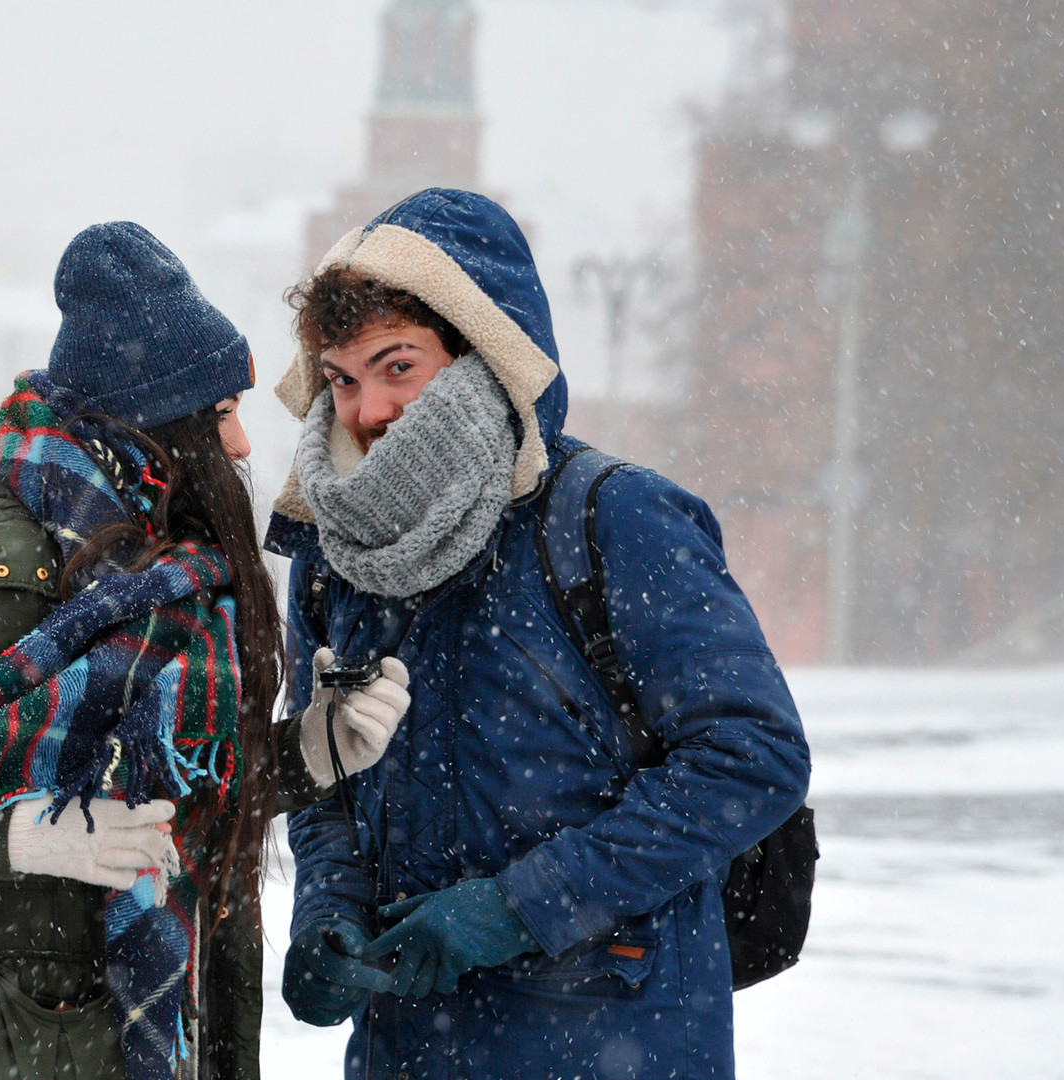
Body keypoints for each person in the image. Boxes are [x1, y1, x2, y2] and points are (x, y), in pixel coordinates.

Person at [0, 222, 410, 1080]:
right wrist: (18, 836)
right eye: (220, 415)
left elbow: (164, 786)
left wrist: (313, 752)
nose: (242, 446)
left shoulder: (169, 573)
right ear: (158, 426)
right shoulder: (13, 562)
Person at [268, 189, 810, 1080]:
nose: (367, 410)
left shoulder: (615, 520)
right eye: (343, 378)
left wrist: (516, 910)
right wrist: (327, 908)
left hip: (611, 1037)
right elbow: (326, 778)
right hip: (405, 1049)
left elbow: (753, 757)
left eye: (398, 366)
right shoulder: (334, 558)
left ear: (487, 357)